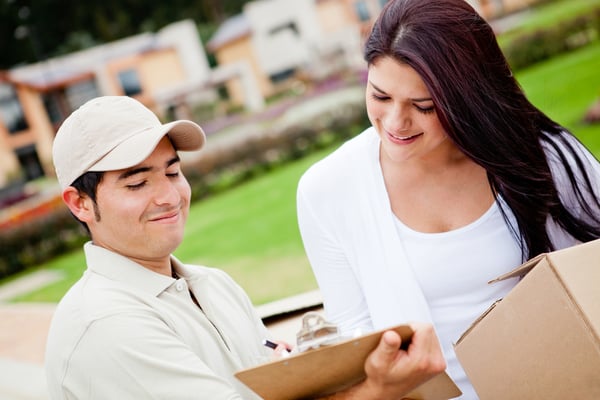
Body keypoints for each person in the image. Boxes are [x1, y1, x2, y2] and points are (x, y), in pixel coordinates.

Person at [45, 95, 446, 399]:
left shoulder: (213, 285)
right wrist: (379, 389)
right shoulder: (104, 323)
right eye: (137, 183)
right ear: (79, 203)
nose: (169, 195)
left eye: (173, 171)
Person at [296, 0, 600, 399]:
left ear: (467, 96)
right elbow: (354, 339)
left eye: (423, 106)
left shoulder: (544, 157)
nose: (395, 123)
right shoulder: (328, 189)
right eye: (380, 96)